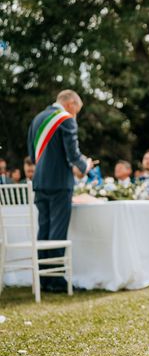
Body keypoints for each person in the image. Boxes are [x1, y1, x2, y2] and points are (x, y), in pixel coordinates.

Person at [27, 89, 93, 292]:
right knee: (57, 231)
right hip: (59, 183)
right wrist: (85, 166)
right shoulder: (65, 119)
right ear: (71, 103)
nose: (75, 115)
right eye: (77, 110)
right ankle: (55, 279)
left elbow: (32, 153)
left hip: (39, 181)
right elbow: (73, 154)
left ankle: (43, 278)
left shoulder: (38, 118)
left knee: (44, 230)